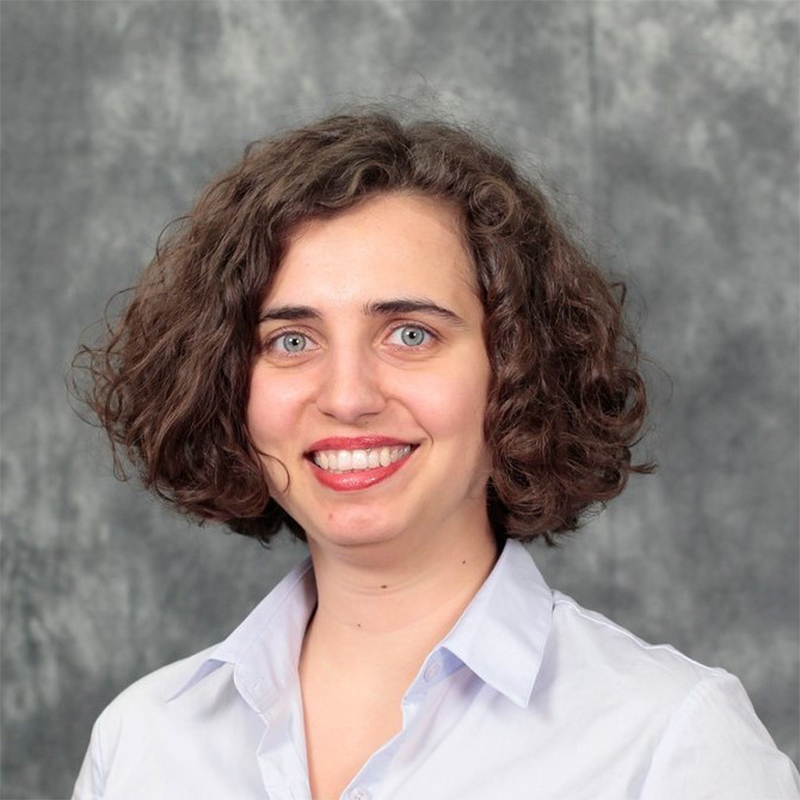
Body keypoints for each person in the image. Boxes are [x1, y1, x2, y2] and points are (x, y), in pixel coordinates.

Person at [72, 110, 800, 800]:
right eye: (292, 341)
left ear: (516, 368)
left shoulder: (668, 740)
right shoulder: (145, 740)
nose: (348, 396)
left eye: (410, 334)